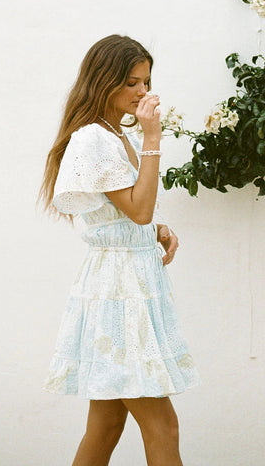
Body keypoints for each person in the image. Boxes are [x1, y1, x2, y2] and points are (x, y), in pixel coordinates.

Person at [38, 34, 201, 466]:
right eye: (132, 83)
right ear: (103, 82)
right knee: (163, 426)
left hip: (128, 283)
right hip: (120, 293)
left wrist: (156, 231)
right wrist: (153, 136)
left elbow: (129, 217)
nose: (143, 92)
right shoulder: (95, 138)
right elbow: (140, 210)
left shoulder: (113, 135)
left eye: (146, 82)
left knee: (106, 426)